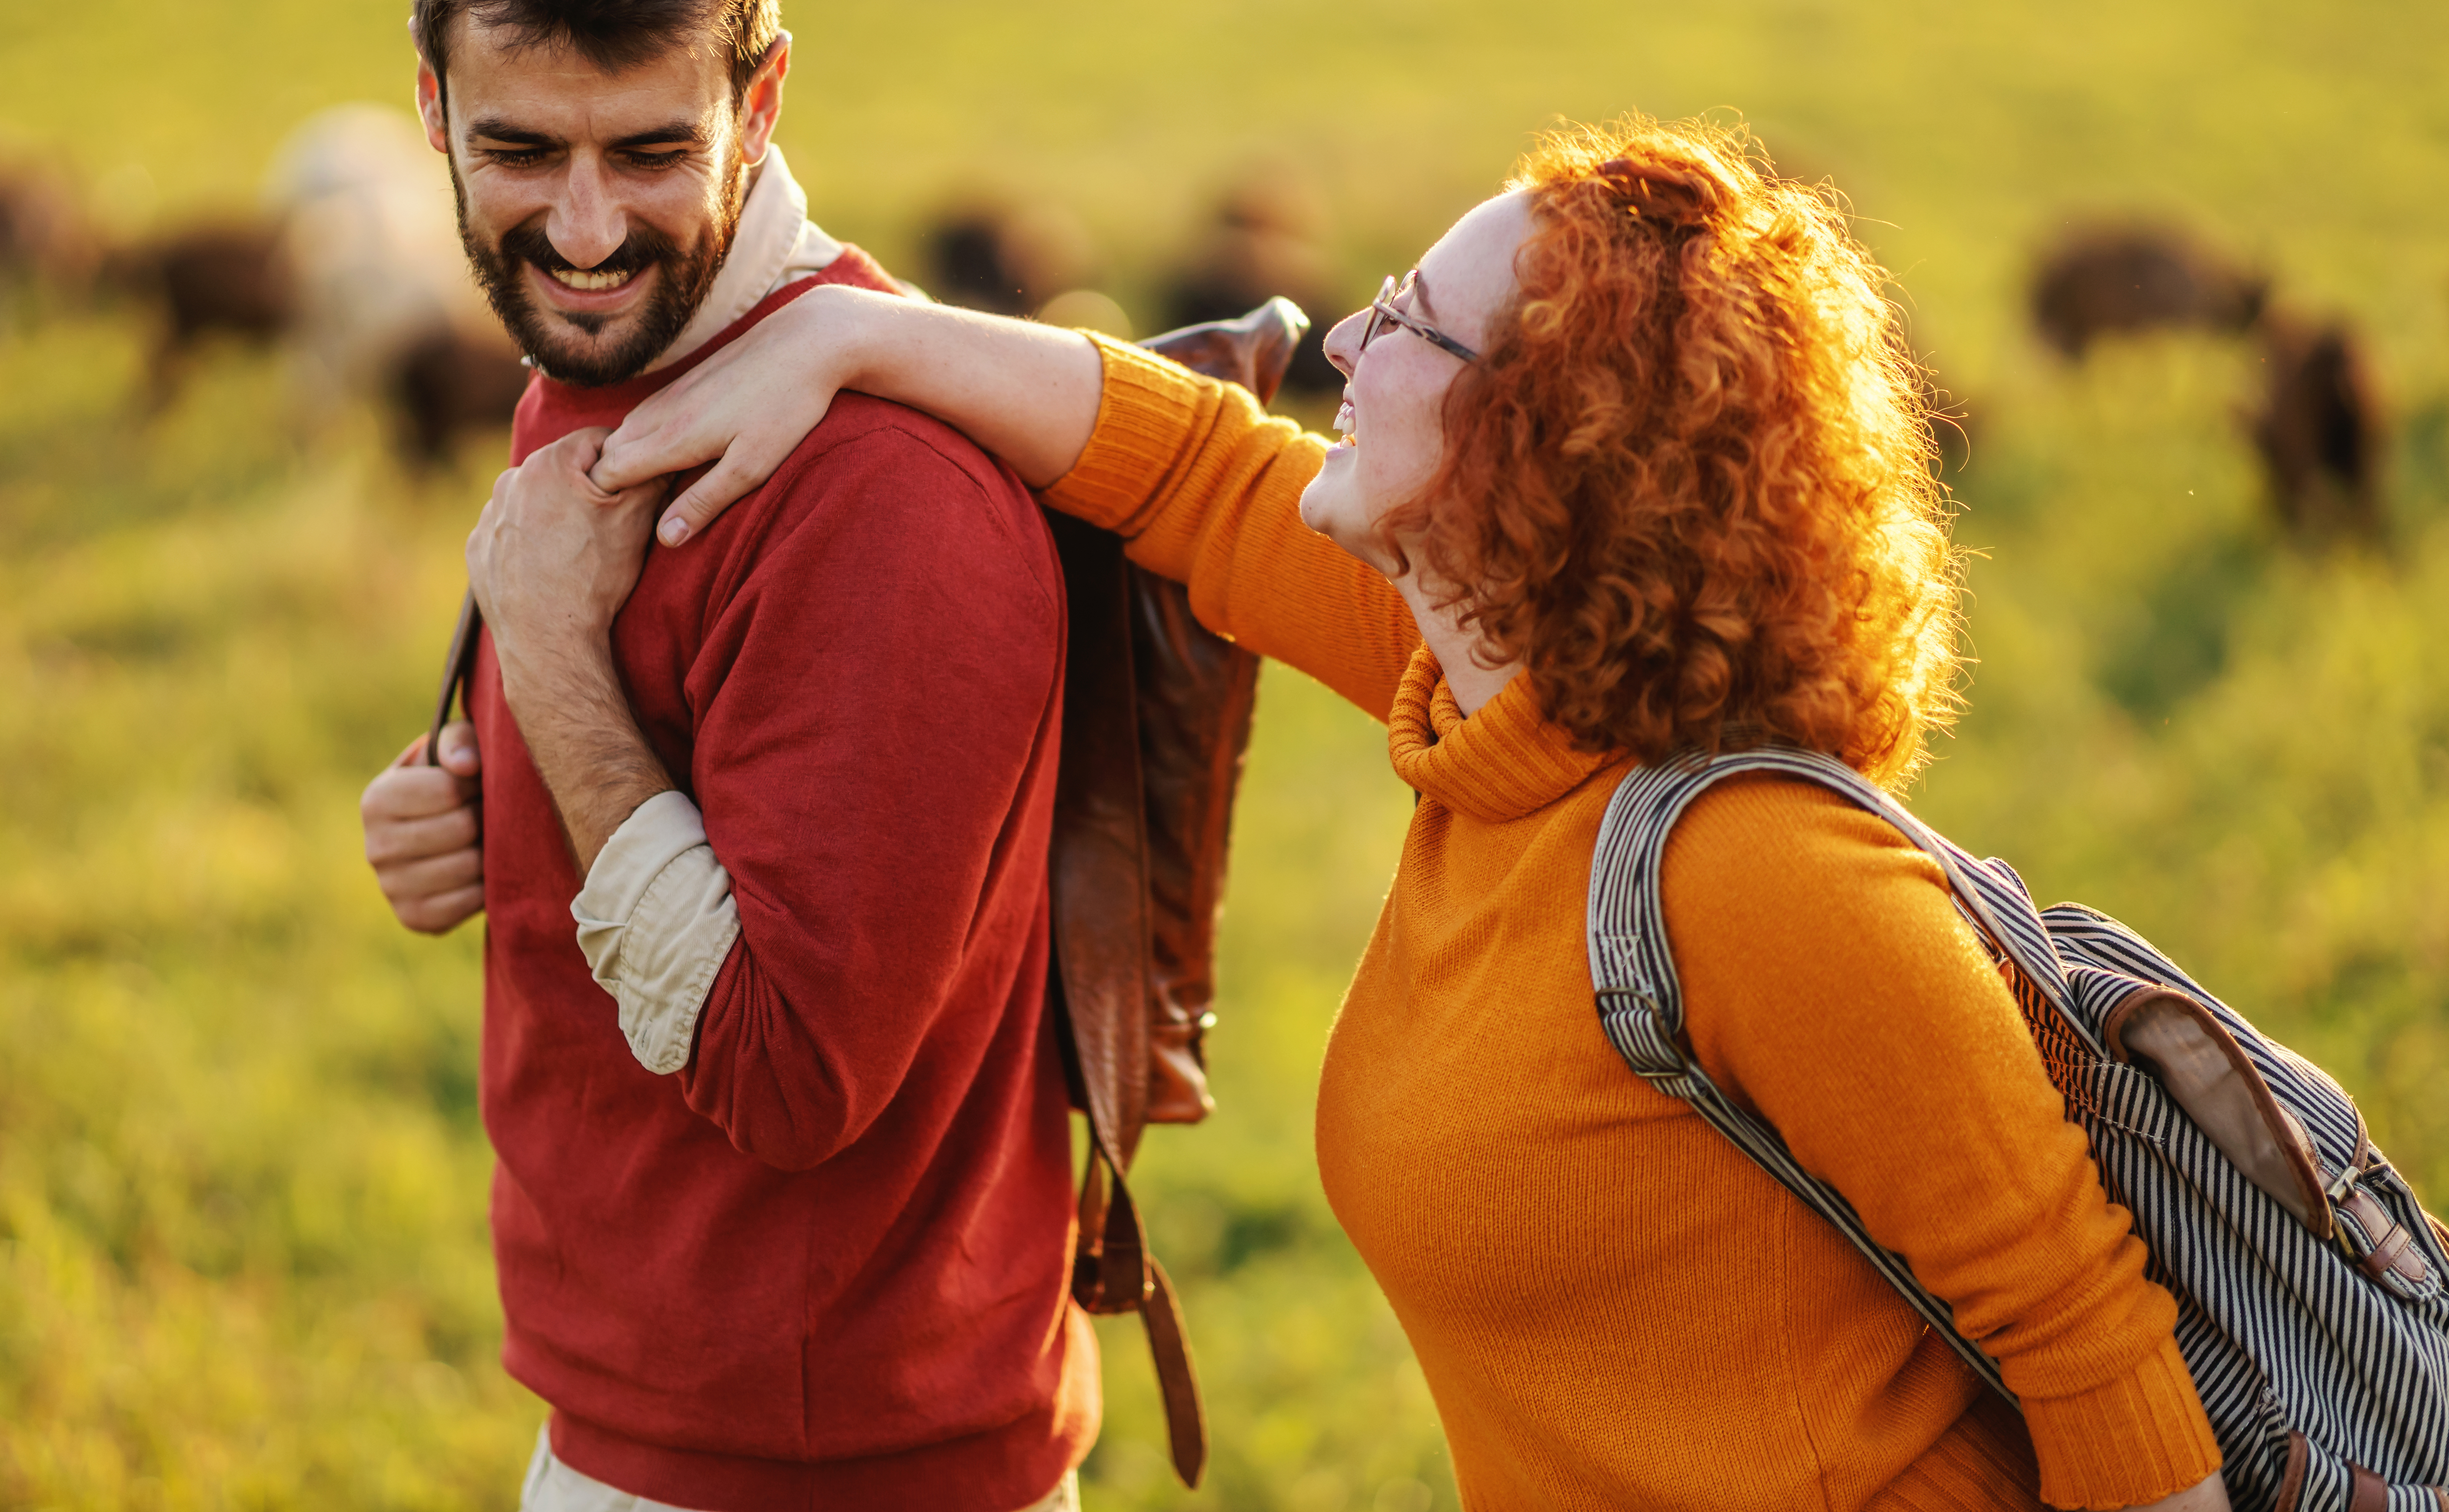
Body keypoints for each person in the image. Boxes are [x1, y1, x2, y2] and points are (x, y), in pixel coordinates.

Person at [585, 117, 2232, 1512]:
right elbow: (1196, 474)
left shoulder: (1771, 880)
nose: (1343, 353)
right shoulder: (1500, 706)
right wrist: (855, 338)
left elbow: (2089, 1342)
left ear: (1547, 443)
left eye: (1410, 330)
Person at [355, 0, 1093, 1512]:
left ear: (759, 102)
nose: (589, 230)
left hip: (844, 1468)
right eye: (519, 151)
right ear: (432, 103)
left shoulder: (885, 491)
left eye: (651, 150)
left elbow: (789, 1061)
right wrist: (472, 808)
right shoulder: (619, 348)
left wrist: (547, 665)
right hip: (648, 1416)